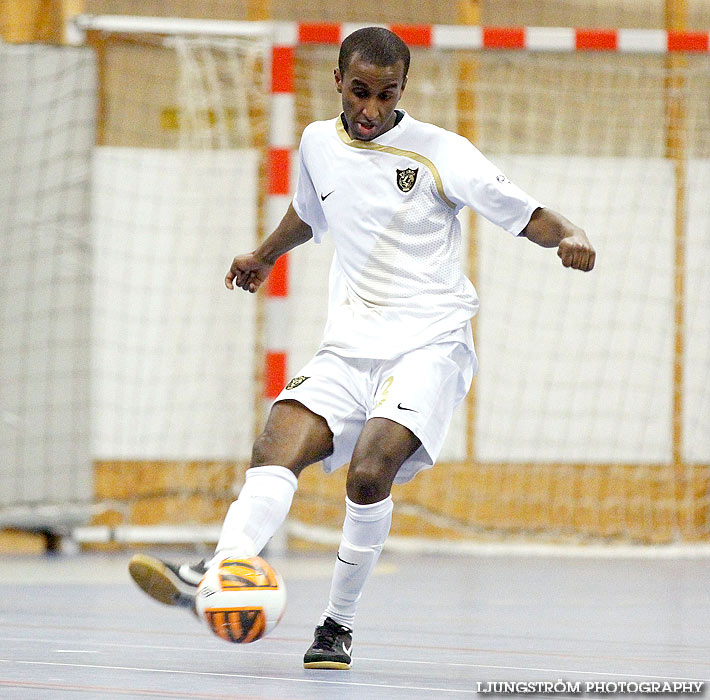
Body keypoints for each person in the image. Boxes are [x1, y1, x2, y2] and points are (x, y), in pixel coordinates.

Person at [129, 26, 595, 669]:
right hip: (349, 346)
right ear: (338, 84)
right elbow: (310, 211)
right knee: (275, 443)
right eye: (359, 92)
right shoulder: (318, 142)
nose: (371, 109)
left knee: (370, 471)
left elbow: (522, 211)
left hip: (428, 345)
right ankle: (222, 571)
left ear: (403, 90)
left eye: (386, 94)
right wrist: (263, 256)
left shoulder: (442, 152)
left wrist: (569, 232)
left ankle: (336, 624)